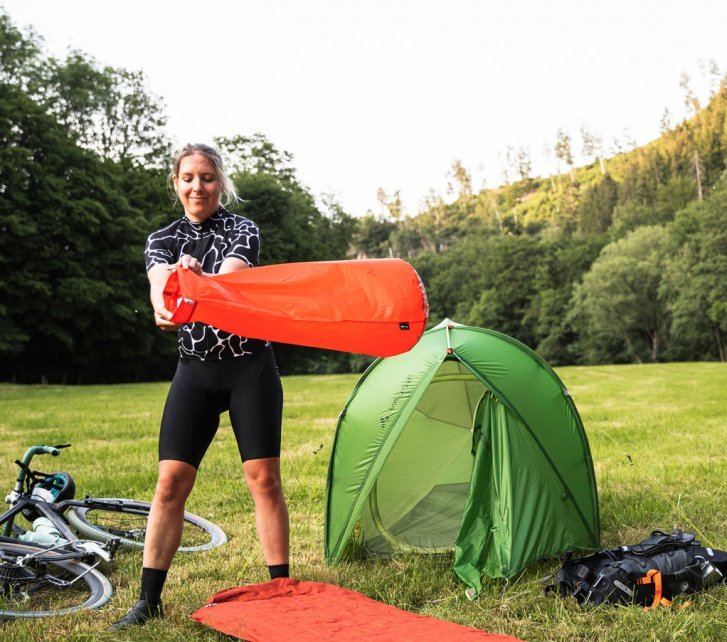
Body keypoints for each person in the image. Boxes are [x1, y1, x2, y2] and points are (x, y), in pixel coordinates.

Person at [113, 143, 289, 629]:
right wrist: (168, 300)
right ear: (176, 182)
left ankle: (282, 590)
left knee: (264, 479)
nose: (198, 186)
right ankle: (148, 601)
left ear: (221, 182)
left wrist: (198, 283)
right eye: (188, 177)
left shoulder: (242, 229)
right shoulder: (162, 239)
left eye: (207, 177)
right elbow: (159, 289)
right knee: (170, 482)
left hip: (249, 367)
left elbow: (229, 283)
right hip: (196, 371)